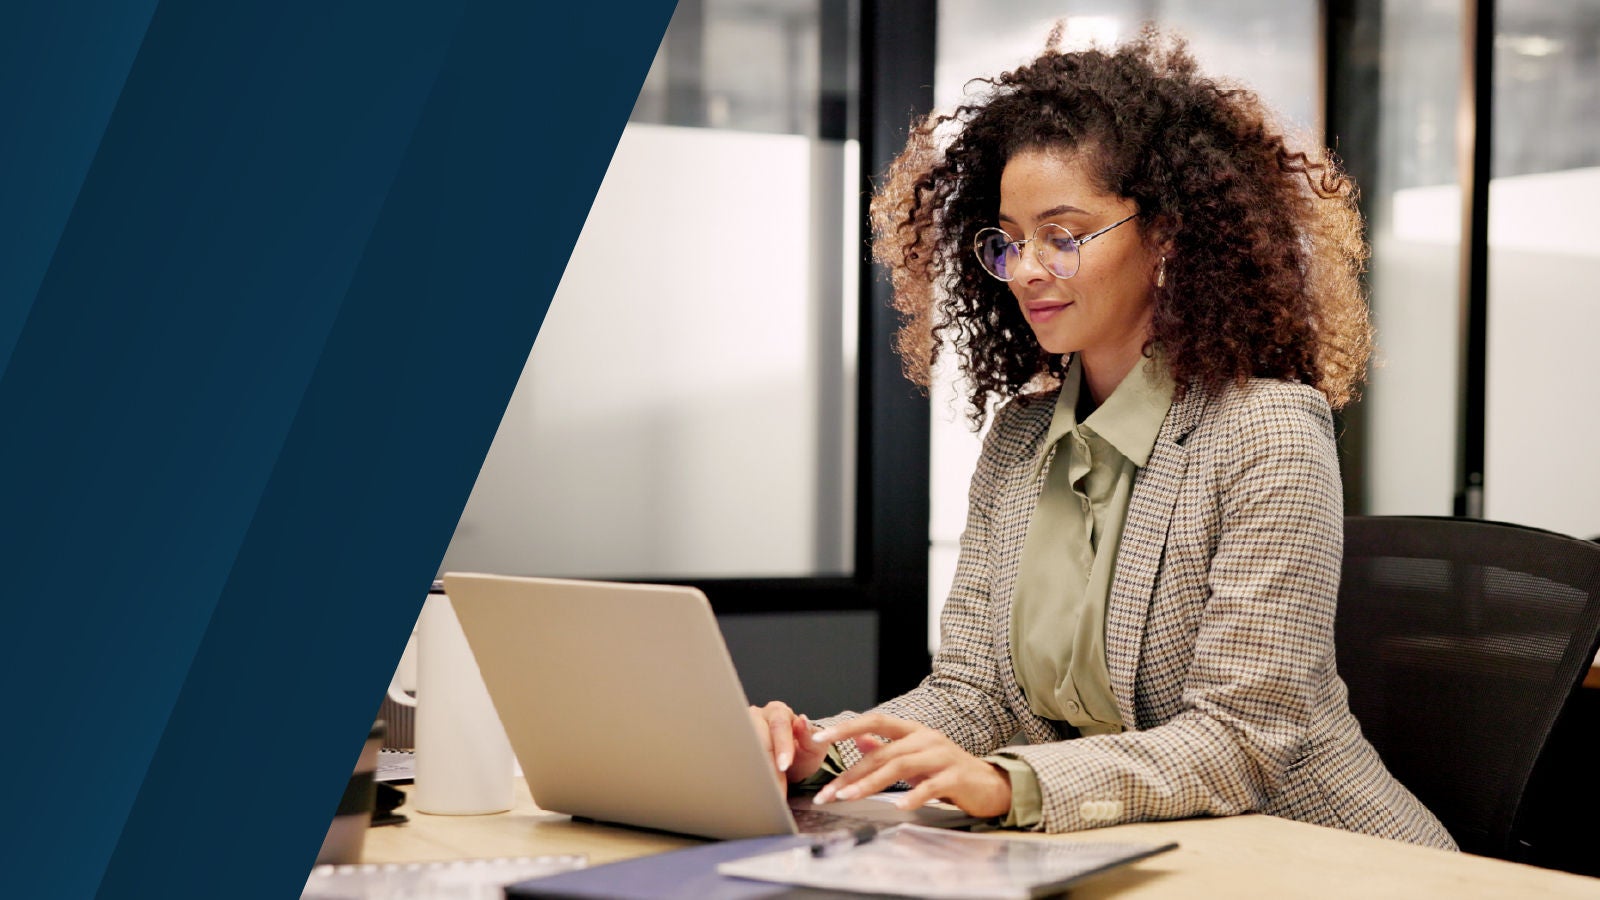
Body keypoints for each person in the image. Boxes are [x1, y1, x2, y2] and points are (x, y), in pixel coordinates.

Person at [749, 26, 1456, 848]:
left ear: (1166, 237)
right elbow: (974, 695)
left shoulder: (1267, 433)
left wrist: (1013, 782)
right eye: (1009, 239)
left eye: (1063, 235)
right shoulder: (1019, 440)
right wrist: (823, 751)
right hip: (1131, 852)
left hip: (1324, 857)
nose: (1024, 269)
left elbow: (1242, 741)